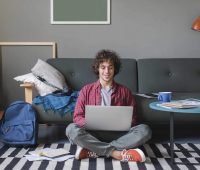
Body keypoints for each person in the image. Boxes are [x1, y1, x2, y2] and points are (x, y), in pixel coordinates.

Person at [66, 49, 152, 162]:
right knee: (71, 129)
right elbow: (77, 117)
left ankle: (94, 150)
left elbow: (134, 118)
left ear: (114, 69)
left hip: (119, 135)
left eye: (110, 67)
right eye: (103, 67)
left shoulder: (125, 91)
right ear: (98, 68)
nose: (107, 71)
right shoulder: (86, 90)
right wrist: (92, 123)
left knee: (145, 130)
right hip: (93, 134)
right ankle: (115, 153)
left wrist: (124, 123)